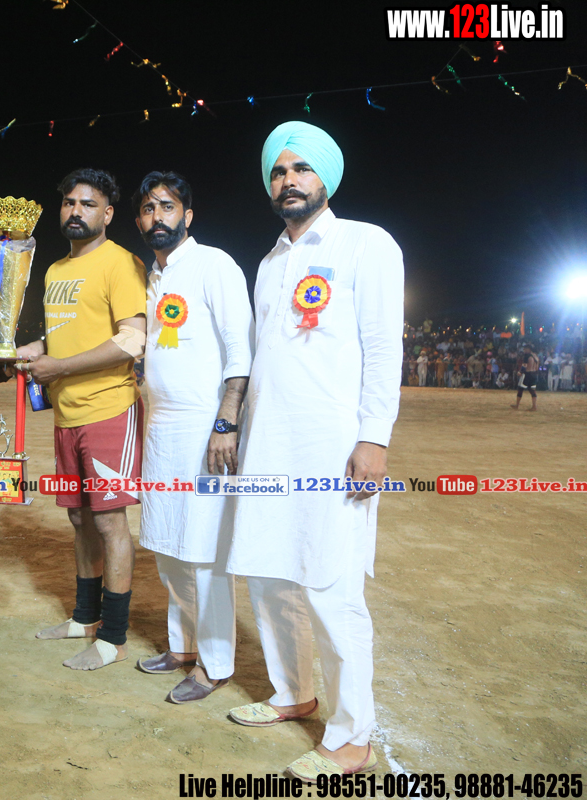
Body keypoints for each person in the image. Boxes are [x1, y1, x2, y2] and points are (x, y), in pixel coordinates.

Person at [226, 121, 404, 780]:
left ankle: (352, 736)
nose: (288, 180)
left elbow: (382, 347)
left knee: (332, 588)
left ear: (325, 176)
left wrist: (373, 437)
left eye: (301, 168)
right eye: (278, 171)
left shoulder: (366, 243)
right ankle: (292, 692)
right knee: (270, 575)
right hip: (267, 446)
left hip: (333, 450)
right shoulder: (270, 262)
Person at [16, 167, 147, 671]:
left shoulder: (121, 262)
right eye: (69, 202)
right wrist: (35, 348)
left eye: (88, 204)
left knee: (110, 521)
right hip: (66, 414)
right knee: (79, 518)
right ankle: (84, 618)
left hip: (109, 409)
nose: (76, 211)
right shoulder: (54, 271)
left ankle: (113, 638)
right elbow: (69, 335)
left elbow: (132, 339)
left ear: (107, 213)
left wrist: (61, 366)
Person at [131, 171, 252, 701]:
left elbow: (240, 348)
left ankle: (215, 664)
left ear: (188, 215)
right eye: (148, 209)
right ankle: (181, 647)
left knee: (204, 553)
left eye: (167, 206)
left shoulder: (214, 264)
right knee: (167, 547)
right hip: (161, 428)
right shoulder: (151, 278)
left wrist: (226, 422)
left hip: (206, 428)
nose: (157, 216)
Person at [513, 343, 539, 411]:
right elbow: (537, 367)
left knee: (520, 389)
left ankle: (517, 405)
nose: (524, 350)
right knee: (532, 390)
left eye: (525, 349)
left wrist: (520, 372)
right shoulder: (536, 356)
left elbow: (524, 366)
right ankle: (534, 406)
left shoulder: (527, 356)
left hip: (527, 374)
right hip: (534, 374)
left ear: (528, 349)